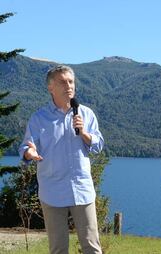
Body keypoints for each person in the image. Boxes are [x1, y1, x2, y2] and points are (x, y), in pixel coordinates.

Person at [19, 65, 104, 254]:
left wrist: (84, 133)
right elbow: (26, 147)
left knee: (92, 247)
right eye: (63, 82)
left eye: (71, 81)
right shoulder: (39, 118)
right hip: (53, 191)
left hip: (82, 190)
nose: (69, 86)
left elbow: (98, 146)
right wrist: (29, 153)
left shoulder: (86, 114)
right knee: (58, 249)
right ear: (51, 88)